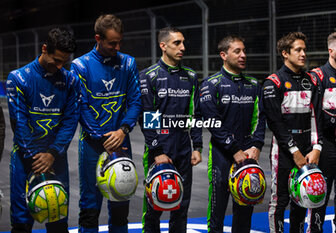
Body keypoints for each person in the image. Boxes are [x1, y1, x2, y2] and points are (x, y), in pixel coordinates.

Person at [70, 14, 141, 233]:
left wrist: (123, 130)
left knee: (121, 200)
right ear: (98, 38)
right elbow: (81, 108)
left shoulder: (128, 63)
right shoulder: (80, 66)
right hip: (92, 145)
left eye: (120, 42)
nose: (117, 47)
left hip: (122, 140)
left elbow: (136, 101)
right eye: (112, 43)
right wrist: (105, 138)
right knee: (90, 206)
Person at [6, 27, 79, 233]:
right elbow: (19, 123)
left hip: (56, 157)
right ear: (44, 48)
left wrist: (52, 153)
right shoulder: (18, 78)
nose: (59, 66)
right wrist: (37, 158)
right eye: (56, 60)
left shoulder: (71, 81)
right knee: (21, 223)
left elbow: (70, 120)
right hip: (24, 159)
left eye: (64, 62)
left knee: (57, 221)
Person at [200, 35, 266, 233]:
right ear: (224, 55)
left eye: (244, 51)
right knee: (217, 213)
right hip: (222, 155)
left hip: (248, 154)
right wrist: (234, 149)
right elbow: (213, 122)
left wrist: (257, 145)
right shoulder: (211, 84)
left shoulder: (254, 85)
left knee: (246, 208)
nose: (243, 55)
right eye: (237, 51)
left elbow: (260, 118)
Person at [139, 27, 202, 233]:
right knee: (155, 205)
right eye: (177, 43)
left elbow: (195, 114)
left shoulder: (191, 76)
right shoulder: (149, 76)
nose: (182, 47)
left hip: (183, 146)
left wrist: (197, 146)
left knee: (181, 206)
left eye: (183, 43)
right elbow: (148, 116)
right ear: (163, 46)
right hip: (160, 147)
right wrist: (157, 151)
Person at [262, 32, 323, 233]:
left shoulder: (312, 81)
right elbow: (275, 123)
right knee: (279, 200)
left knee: (303, 198)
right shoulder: (273, 82)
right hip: (284, 149)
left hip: (308, 146)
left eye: (304, 49)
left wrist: (317, 147)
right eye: (298, 50)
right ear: (285, 53)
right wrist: (294, 151)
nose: (303, 54)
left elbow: (316, 117)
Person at [309, 31, 336, 233]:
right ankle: (315, 229)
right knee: (320, 193)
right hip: (326, 145)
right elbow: (315, 114)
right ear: (331, 50)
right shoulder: (318, 76)